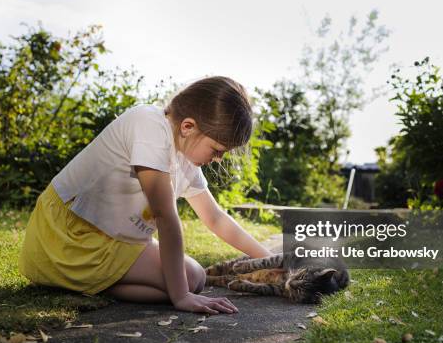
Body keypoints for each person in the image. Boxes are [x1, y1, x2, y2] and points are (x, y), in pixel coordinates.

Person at [18, 76, 273, 315]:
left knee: (196, 277)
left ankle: (93, 285)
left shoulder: (184, 159)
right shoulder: (149, 124)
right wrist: (181, 296)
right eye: (217, 149)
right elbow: (164, 215)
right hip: (71, 235)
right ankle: (77, 278)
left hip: (113, 240)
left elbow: (215, 218)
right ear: (188, 127)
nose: (219, 158)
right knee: (188, 281)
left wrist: (270, 261)